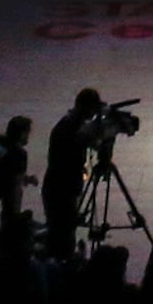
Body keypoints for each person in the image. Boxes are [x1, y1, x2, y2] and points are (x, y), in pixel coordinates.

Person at [43, 89, 107, 246]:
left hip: (61, 188)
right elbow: (95, 142)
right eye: (93, 109)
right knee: (63, 236)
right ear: (85, 107)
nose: (93, 114)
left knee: (63, 232)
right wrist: (101, 121)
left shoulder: (70, 123)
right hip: (62, 190)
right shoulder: (71, 128)